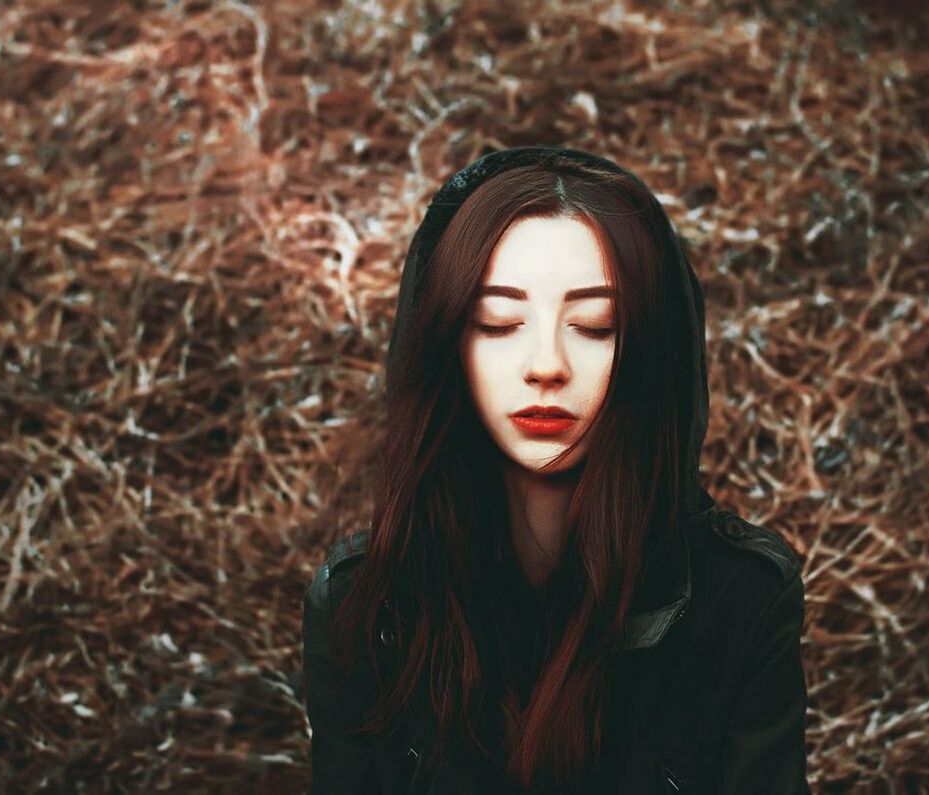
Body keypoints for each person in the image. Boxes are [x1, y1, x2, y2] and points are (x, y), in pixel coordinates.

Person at [301, 145, 810, 794]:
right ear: (447, 343)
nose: (547, 364)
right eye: (499, 320)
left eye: (595, 325)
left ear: (650, 353)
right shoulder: (368, 609)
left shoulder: (740, 600)